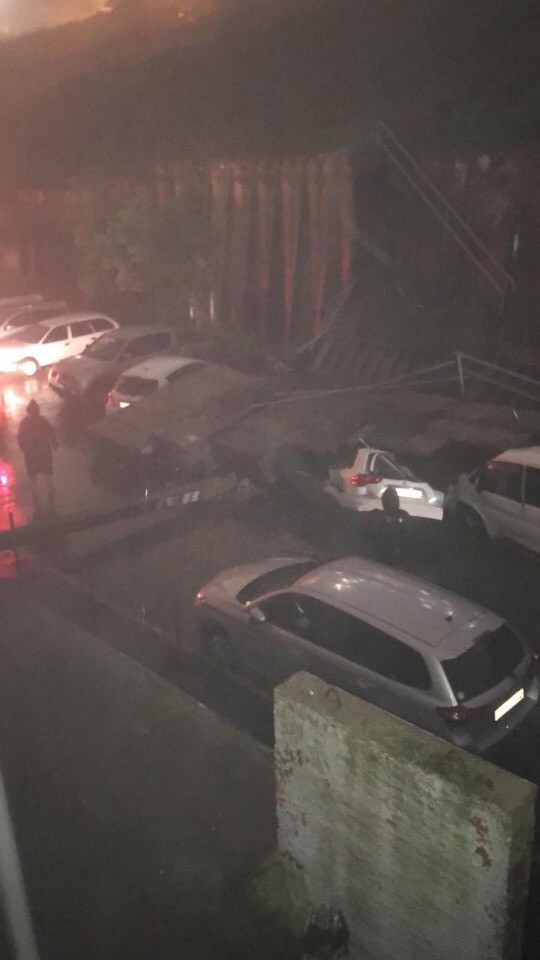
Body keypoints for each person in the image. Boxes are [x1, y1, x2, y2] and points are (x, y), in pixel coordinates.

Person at [17, 400, 58, 517]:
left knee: (34, 477)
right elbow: (51, 432)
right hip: (43, 451)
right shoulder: (42, 421)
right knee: (47, 475)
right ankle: (51, 500)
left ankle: (37, 501)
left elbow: (20, 437)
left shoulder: (24, 423)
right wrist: (54, 444)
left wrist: (23, 447)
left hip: (31, 453)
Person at [367, 485, 410, 564]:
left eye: (393, 499)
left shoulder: (402, 515)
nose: (392, 501)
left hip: (398, 552)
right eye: (389, 499)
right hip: (382, 552)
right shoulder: (377, 515)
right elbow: (376, 534)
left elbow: (407, 534)